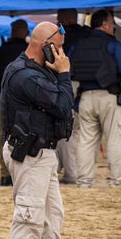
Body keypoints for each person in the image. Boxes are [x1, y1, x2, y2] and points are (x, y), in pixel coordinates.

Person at [0, 21, 75, 239]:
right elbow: (64, 105)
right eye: (60, 47)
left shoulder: (33, 69)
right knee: (29, 218)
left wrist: (58, 73)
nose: (63, 54)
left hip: (42, 154)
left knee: (52, 217)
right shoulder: (26, 76)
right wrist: (64, 75)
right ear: (47, 45)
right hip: (31, 155)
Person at [70, 10, 121, 188]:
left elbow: (69, 67)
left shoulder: (78, 44)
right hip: (109, 96)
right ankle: (118, 181)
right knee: (114, 138)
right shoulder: (113, 44)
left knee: (86, 140)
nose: (114, 26)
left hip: (85, 97)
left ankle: (84, 181)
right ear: (105, 24)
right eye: (112, 23)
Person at [53, 9, 88, 184]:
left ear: (66, 18)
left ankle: (71, 172)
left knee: (66, 129)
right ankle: (82, 172)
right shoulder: (88, 34)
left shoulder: (61, 36)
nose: (57, 21)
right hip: (88, 86)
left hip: (69, 83)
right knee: (86, 133)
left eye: (59, 18)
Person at [0, 20, 30, 187]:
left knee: (5, 132)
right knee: (28, 130)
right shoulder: (29, 51)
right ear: (25, 32)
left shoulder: (1, 51)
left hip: (5, 95)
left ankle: (5, 174)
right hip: (27, 95)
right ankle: (23, 170)